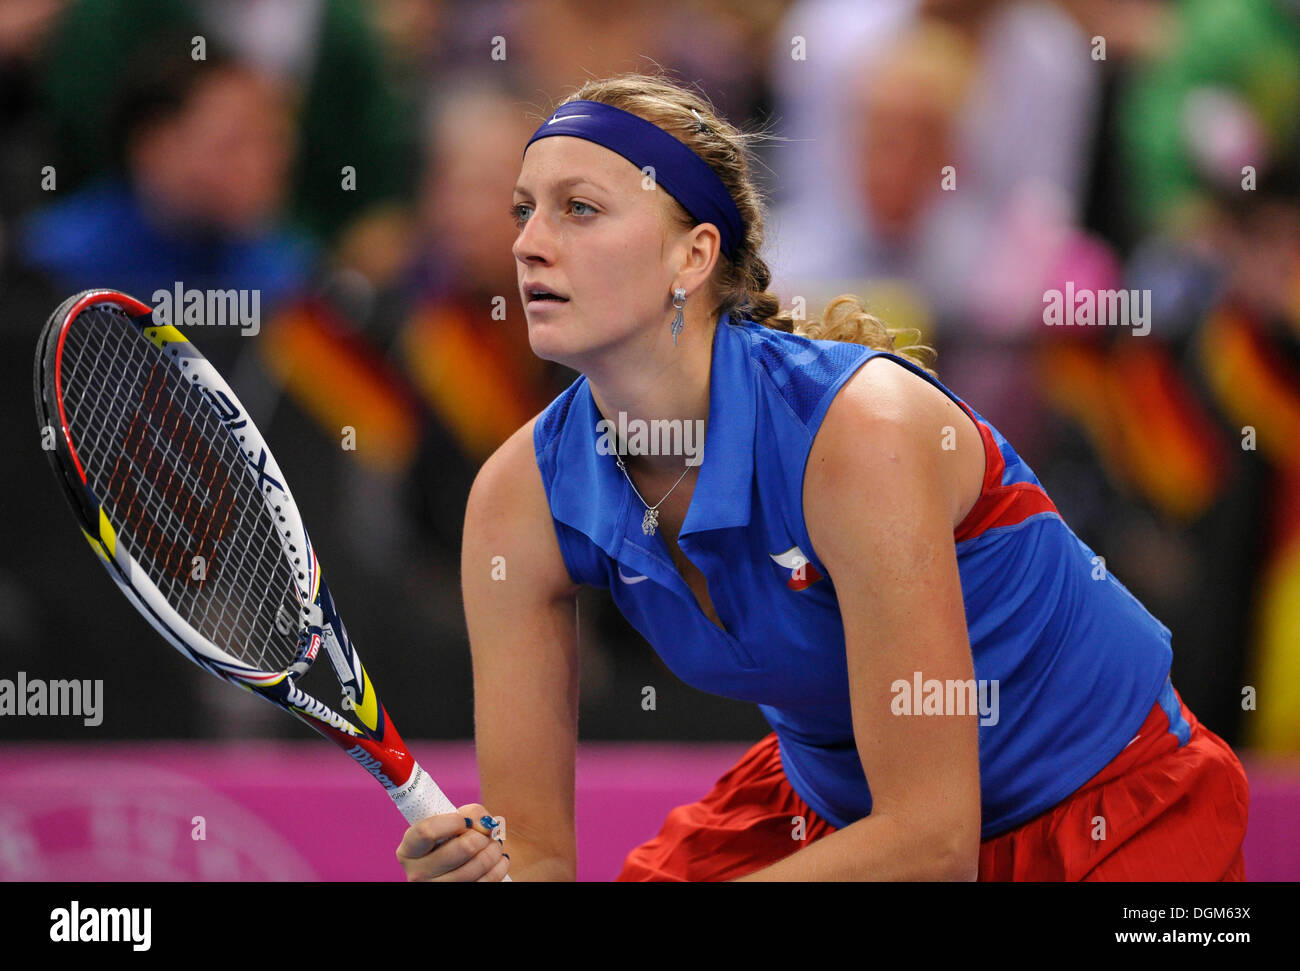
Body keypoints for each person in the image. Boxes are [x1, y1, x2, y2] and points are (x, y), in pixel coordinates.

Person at [395, 72, 1250, 882]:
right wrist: (486, 869)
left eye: (579, 210)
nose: (529, 243)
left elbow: (931, 843)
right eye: (523, 211)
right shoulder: (516, 502)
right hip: (844, 812)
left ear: (692, 257)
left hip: (1110, 808)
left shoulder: (857, 435)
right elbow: (536, 855)